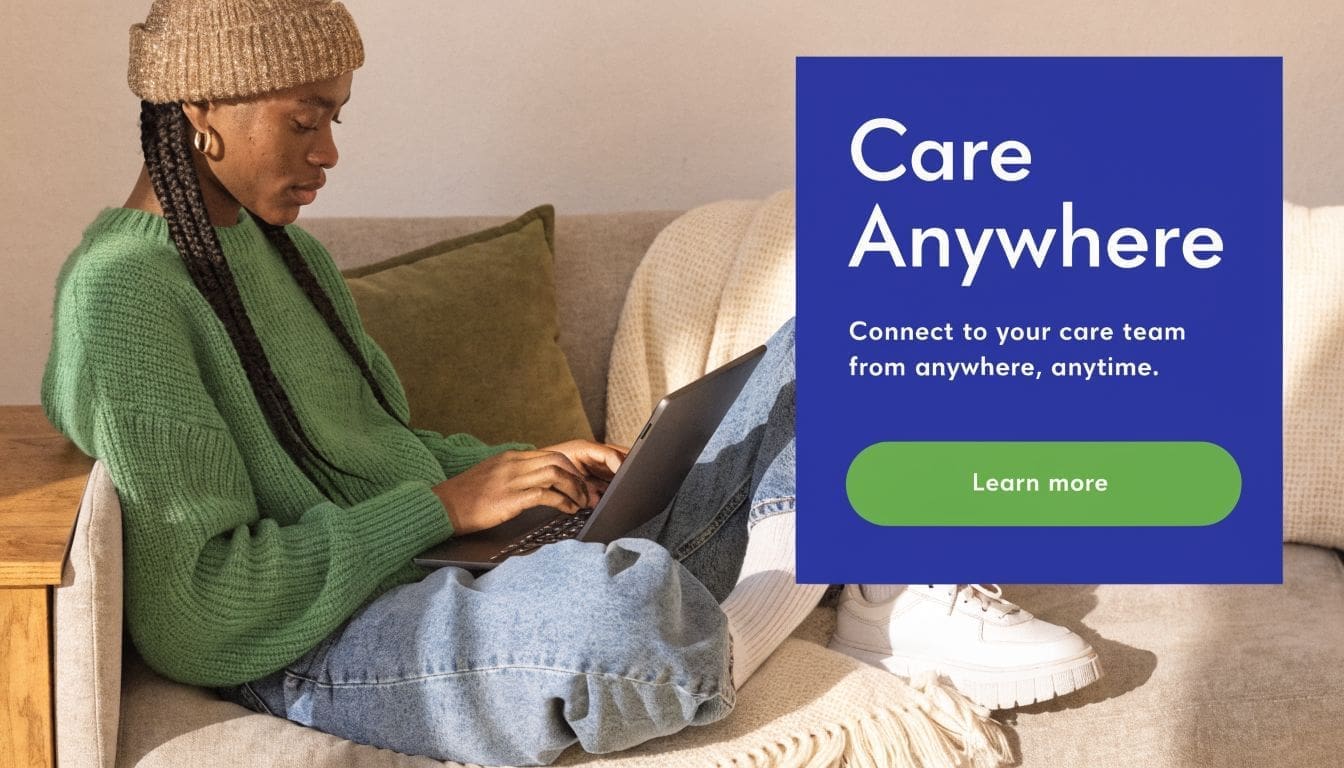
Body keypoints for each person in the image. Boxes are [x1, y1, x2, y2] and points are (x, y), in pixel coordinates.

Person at [40, 1, 1101, 764]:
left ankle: (865, 585)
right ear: (199, 105)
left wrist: (508, 471)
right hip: (313, 640)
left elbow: (371, 448)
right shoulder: (126, 292)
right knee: (613, 623)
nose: (329, 152)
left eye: (336, 117)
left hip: (423, 566)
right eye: (303, 118)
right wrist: (442, 505)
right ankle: (796, 567)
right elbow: (193, 612)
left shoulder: (286, 254)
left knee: (841, 337)